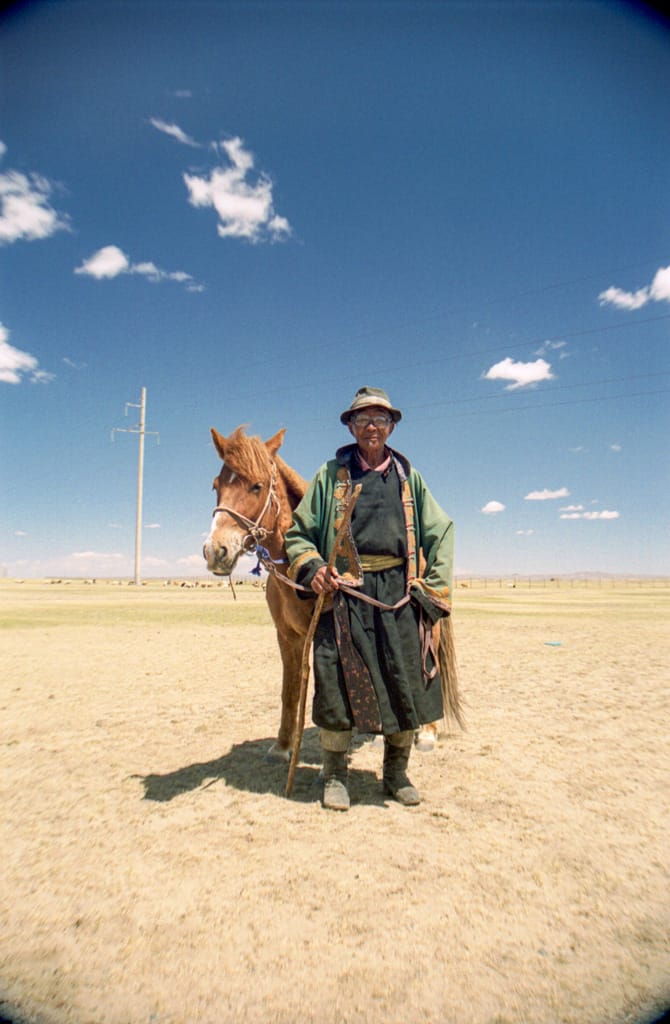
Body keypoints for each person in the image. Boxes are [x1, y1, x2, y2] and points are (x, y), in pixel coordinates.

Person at [285, 386, 454, 811]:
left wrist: (428, 590)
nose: (372, 426)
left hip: (398, 598)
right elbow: (298, 535)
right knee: (336, 686)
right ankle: (335, 775)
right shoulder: (330, 477)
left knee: (404, 684)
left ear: (392, 426)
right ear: (351, 426)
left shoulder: (407, 477)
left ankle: (395, 774)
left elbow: (442, 531)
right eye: (362, 420)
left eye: (380, 419)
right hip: (343, 595)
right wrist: (314, 567)